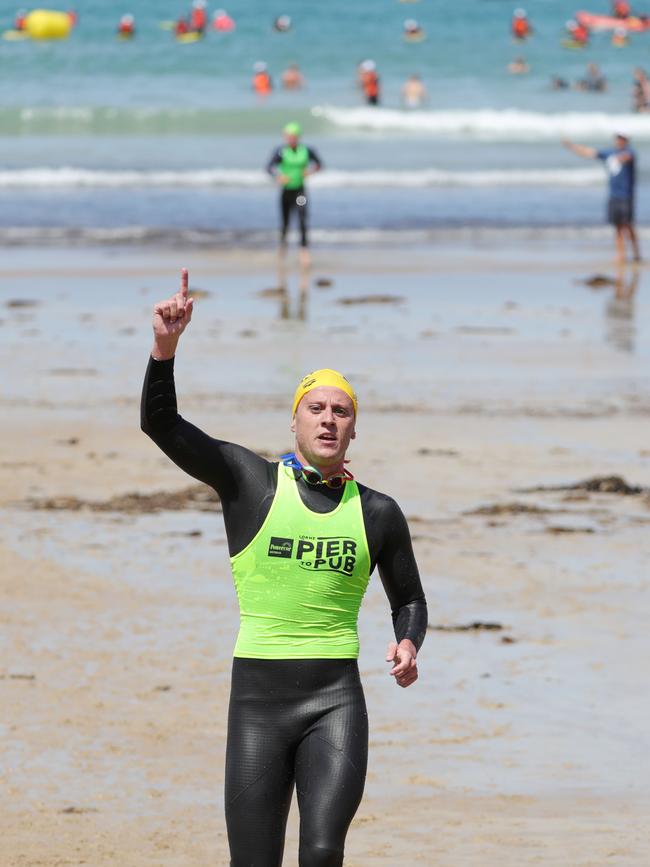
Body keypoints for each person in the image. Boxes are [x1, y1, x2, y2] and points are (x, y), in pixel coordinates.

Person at [141, 271, 428, 866]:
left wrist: (407, 641)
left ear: (354, 428)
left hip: (336, 701)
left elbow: (410, 598)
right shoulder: (252, 483)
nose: (328, 419)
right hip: (258, 703)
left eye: (341, 411)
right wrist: (165, 349)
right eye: (315, 408)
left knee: (322, 854)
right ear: (294, 423)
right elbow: (162, 426)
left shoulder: (377, 512)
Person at [562, 133, 640, 263]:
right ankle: (621, 255)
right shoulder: (609, 152)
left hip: (626, 195)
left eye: (622, 138)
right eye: (618, 138)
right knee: (617, 227)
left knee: (628, 225)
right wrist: (571, 146)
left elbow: (628, 157)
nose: (619, 140)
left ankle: (636, 253)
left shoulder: (630, 151)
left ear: (626, 140)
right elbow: (589, 152)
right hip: (613, 195)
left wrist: (620, 158)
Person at [267, 122, 322, 258]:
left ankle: (304, 251)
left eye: (293, 136)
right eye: (288, 136)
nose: (291, 139)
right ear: (285, 137)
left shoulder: (307, 150)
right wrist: (278, 176)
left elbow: (319, 164)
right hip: (286, 191)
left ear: (298, 137)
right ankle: (283, 247)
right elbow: (269, 168)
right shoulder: (281, 151)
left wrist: (310, 171)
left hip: (300, 192)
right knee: (285, 221)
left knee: (303, 218)